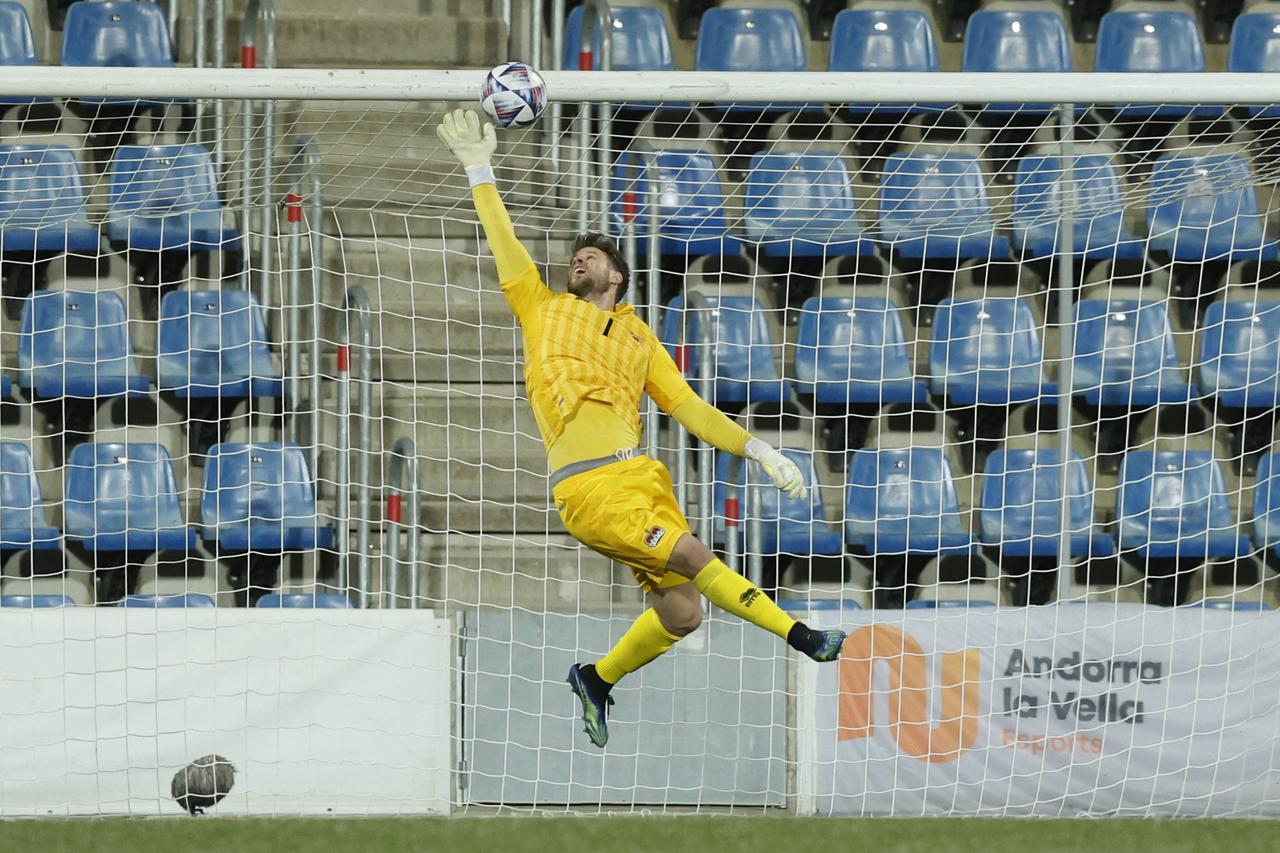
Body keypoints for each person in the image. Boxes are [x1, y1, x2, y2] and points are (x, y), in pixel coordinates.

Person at [437, 109, 846, 749]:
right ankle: (802, 637)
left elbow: (686, 407)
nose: (579, 261)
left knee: (684, 612)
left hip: (639, 478)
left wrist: (758, 447)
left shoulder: (638, 336)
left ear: (617, 276)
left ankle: (596, 678)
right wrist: (479, 169)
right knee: (692, 554)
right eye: (575, 257)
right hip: (591, 488)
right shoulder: (543, 310)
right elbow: (506, 242)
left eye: (592, 256)